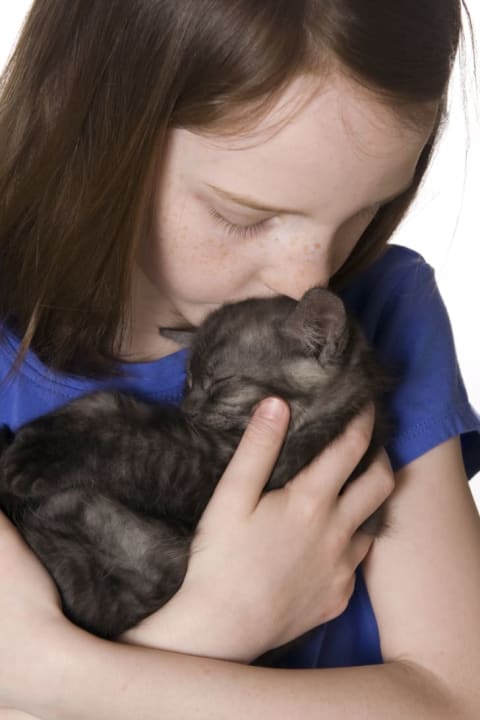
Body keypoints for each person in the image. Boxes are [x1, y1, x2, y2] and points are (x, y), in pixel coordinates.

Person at [1, 0, 480, 717]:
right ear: (97, 125)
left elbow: (454, 697)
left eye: (362, 215)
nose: (307, 281)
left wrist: (60, 673)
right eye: (244, 214)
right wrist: (222, 623)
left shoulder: (383, 309)